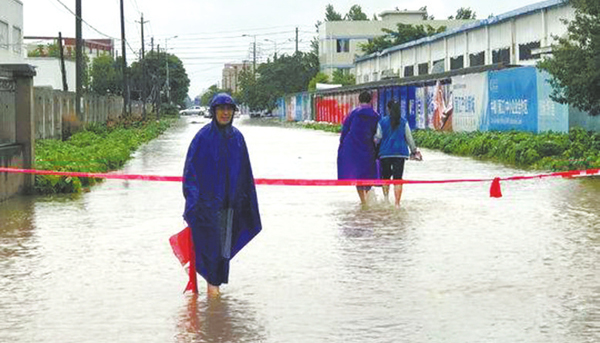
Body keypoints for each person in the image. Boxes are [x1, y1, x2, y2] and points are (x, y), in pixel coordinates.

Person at [182, 93, 262, 297]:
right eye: (221, 109)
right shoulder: (202, 138)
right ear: (213, 111)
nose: (225, 113)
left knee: (222, 252)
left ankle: (214, 303)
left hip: (229, 207)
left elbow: (245, 173)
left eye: (229, 109)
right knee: (211, 251)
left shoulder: (237, 139)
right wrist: (193, 203)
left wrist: (246, 204)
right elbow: (190, 173)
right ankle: (214, 301)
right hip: (206, 208)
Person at [374, 100, 422, 208]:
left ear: (388, 109)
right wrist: (414, 151)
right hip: (400, 154)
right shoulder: (404, 122)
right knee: (398, 179)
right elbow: (409, 138)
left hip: (385, 154)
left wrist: (371, 142)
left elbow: (378, 138)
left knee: (385, 177)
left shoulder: (382, 122)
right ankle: (397, 204)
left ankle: (386, 200)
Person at [337, 91, 380, 205]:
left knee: (359, 175)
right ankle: (369, 197)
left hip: (355, 149)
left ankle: (363, 201)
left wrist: (342, 145)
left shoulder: (353, 114)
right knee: (369, 173)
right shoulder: (375, 115)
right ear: (371, 101)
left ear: (358, 100)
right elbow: (378, 133)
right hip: (369, 148)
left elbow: (344, 131)